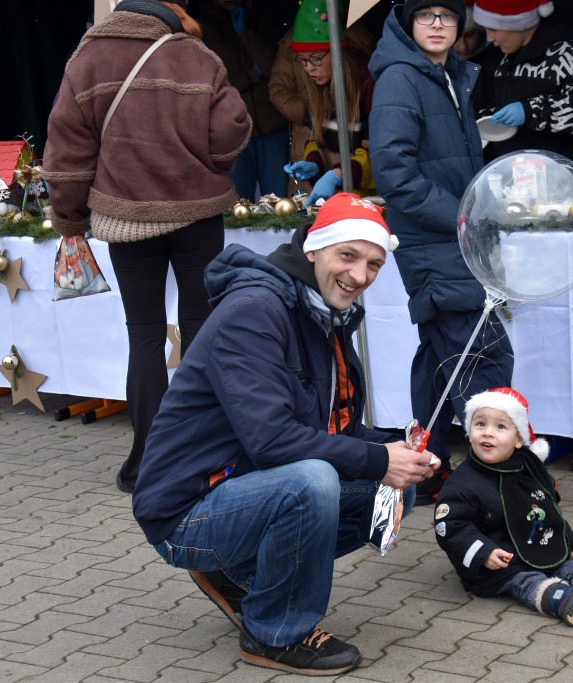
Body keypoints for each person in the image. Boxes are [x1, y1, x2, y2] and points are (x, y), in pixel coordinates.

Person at [131, 193, 440, 675]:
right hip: (185, 510)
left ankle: (245, 576)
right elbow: (273, 440)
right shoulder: (256, 310)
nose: (361, 276)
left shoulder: (319, 310)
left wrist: (395, 449)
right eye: (349, 256)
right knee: (312, 482)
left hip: (245, 483)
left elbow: (331, 426)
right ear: (314, 250)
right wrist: (379, 460)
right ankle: (274, 633)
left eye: (375, 264)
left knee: (395, 489)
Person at [42, 0, 251, 494]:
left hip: (124, 216)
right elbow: (230, 135)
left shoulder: (86, 59)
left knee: (144, 336)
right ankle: (206, 456)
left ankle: (146, 463)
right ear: (169, 14)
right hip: (199, 213)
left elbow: (67, 147)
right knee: (203, 331)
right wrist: (196, 156)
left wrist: (71, 218)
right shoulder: (196, 55)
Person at [369, 0, 514, 505]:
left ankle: (425, 468)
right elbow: (394, 174)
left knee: (439, 357)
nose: (437, 24)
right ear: (407, 23)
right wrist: (464, 215)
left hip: (453, 239)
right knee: (485, 357)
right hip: (437, 242)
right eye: (426, 15)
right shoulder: (400, 79)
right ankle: (497, 480)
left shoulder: (445, 74)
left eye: (447, 16)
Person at [434, 387, 573, 626]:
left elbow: (548, 505)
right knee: (527, 580)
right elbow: (451, 526)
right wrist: (483, 552)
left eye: (500, 427)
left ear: (519, 440)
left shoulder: (527, 468)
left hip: (535, 544)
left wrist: (567, 538)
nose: (488, 433)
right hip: (500, 563)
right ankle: (562, 600)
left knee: (565, 565)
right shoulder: (463, 482)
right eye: (480, 424)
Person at [472, 0, 573, 177]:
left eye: (493, 29)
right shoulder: (504, 58)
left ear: (518, 23)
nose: (489, 39)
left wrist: (532, 110)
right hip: (520, 181)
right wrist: (488, 120)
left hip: (563, 182)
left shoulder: (565, 53)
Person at [270, 0, 376, 207]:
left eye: (316, 58)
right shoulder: (316, 90)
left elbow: (378, 155)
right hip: (338, 203)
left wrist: (336, 175)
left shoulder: (368, 86)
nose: (309, 68)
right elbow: (316, 140)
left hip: (369, 204)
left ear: (337, 53)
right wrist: (314, 164)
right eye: (302, 60)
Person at [198, 0, 298, 200]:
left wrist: (246, 35)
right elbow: (211, 83)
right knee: (237, 206)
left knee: (281, 204)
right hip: (232, 131)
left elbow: (277, 69)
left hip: (273, 126)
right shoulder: (203, 27)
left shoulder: (264, 16)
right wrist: (250, 76)